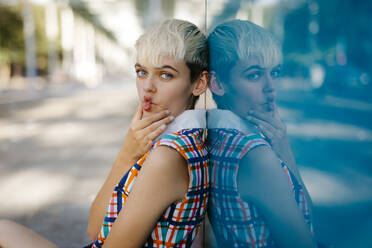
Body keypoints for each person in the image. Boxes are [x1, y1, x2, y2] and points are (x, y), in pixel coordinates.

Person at [0, 19, 209, 248]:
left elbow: (97, 233)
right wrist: (130, 152)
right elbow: (96, 229)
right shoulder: (176, 139)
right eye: (141, 72)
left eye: (165, 75)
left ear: (199, 83)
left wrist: (128, 151)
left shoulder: (168, 156)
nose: (148, 87)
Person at [206, 19, 318, 248]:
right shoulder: (256, 156)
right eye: (254, 75)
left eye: (274, 73)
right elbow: (305, 237)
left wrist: (281, 144)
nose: (271, 86)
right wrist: (282, 149)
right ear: (216, 83)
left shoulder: (212, 135)